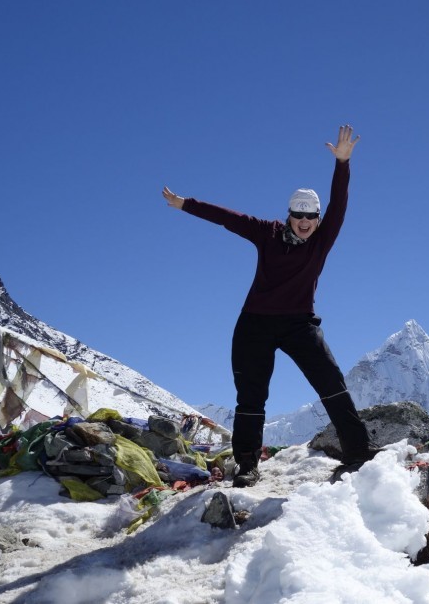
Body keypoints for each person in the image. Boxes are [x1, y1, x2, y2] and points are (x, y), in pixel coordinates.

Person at [162, 125, 380, 487]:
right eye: (299, 215)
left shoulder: (322, 239)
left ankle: (358, 452)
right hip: (255, 324)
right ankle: (247, 465)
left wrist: (342, 164)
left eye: (311, 217)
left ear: (318, 219)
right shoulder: (268, 232)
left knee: (331, 382)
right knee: (251, 397)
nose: (305, 223)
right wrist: (186, 204)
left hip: (299, 324)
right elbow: (229, 218)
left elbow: (340, 204)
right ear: (289, 214)